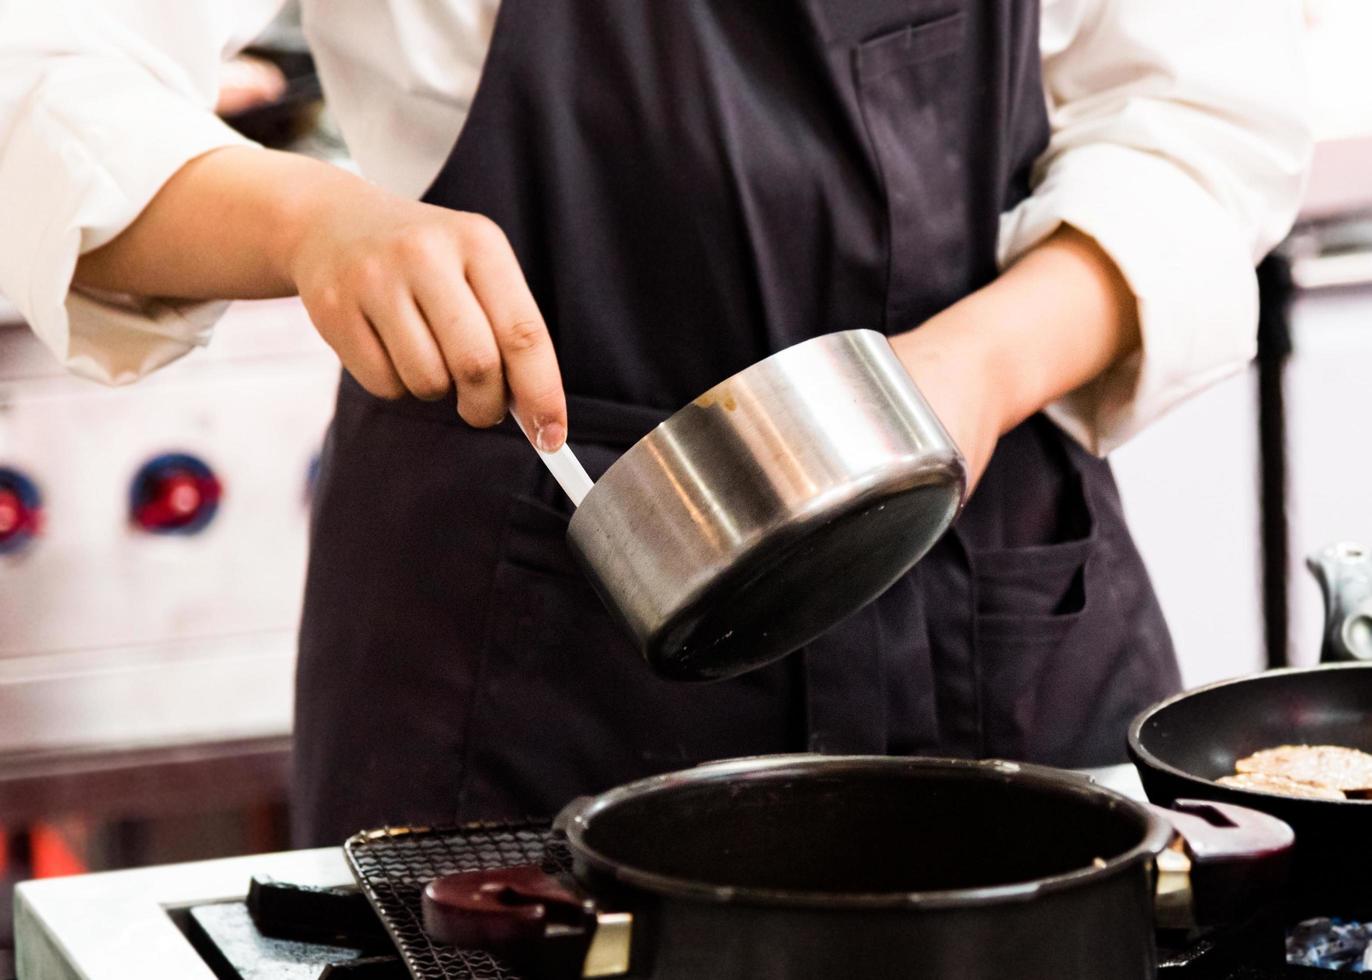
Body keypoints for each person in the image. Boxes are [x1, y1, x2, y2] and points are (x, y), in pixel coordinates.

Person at [0, 1, 1309, 845]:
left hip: (994, 587)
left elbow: (1203, 114)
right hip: (523, 665)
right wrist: (306, 222)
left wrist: (958, 386)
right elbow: (42, 75)